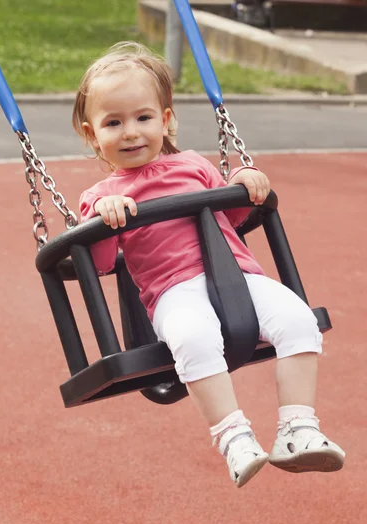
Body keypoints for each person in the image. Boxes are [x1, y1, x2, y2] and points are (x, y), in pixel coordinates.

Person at [72, 41, 345, 488]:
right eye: (113, 123)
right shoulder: (100, 196)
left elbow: (233, 217)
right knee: (192, 339)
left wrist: (244, 183)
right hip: (173, 293)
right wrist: (105, 216)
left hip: (238, 278)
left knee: (299, 320)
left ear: (165, 120)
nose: (130, 132)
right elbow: (101, 262)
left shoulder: (194, 165)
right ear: (92, 134)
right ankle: (234, 436)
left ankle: (298, 429)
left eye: (143, 118)